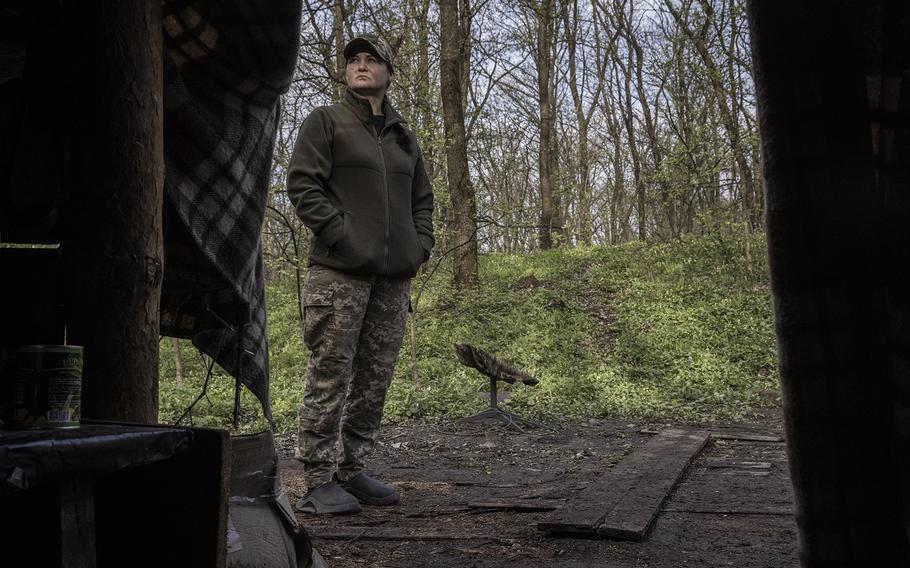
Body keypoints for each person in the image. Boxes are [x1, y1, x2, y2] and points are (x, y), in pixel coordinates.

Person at [286, 32, 434, 515]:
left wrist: (419, 248)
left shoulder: (403, 138)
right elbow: (303, 184)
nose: (361, 66)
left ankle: (351, 470)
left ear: (389, 74)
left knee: (375, 378)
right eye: (355, 60)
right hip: (338, 275)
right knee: (330, 373)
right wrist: (343, 236)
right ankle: (317, 478)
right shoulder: (326, 121)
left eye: (372, 61)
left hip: (392, 281)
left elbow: (423, 203)